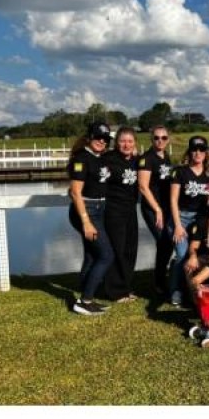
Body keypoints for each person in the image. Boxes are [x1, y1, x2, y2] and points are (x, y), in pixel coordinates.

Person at [66, 122, 114, 316]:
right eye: (97, 137)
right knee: (106, 255)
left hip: (99, 209)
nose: (101, 141)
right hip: (86, 211)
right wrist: (86, 221)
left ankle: (87, 296)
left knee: (92, 255)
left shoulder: (100, 157)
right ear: (89, 137)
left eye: (105, 139)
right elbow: (75, 192)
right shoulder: (81, 159)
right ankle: (84, 301)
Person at [168, 135, 209, 307]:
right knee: (182, 255)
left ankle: (193, 291)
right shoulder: (180, 172)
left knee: (197, 256)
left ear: (206, 153)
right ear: (189, 152)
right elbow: (173, 200)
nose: (198, 153)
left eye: (201, 149)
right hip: (180, 217)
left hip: (199, 219)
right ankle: (176, 291)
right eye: (194, 149)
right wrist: (177, 226)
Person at [102, 126, 140, 303]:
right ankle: (114, 291)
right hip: (113, 209)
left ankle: (126, 287)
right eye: (123, 141)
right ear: (116, 143)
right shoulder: (108, 159)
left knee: (130, 249)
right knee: (117, 249)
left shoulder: (136, 160)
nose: (126, 145)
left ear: (135, 143)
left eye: (130, 141)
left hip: (130, 209)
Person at [137, 125, 174, 297]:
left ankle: (162, 275)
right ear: (151, 139)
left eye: (163, 138)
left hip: (166, 207)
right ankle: (159, 282)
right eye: (156, 137)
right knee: (164, 240)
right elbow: (143, 187)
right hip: (153, 208)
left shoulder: (166, 157)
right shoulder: (147, 158)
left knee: (168, 242)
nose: (160, 141)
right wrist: (157, 209)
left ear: (168, 139)